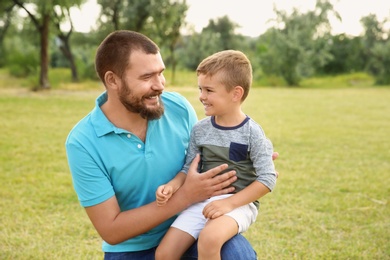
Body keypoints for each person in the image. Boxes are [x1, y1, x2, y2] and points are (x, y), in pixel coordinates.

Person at [65, 30, 278, 259]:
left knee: (235, 253)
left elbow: (202, 160)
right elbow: (111, 231)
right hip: (131, 250)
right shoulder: (83, 142)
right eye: (147, 77)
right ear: (112, 80)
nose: (160, 85)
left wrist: (245, 161)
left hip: (191, 230)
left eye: (161, 73)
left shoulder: (178, 108)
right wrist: (185, 196)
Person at [155, 50, 277, 260]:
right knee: (164, 253)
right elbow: (188, 169)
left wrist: (228, 204)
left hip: (238, 204)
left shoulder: (252, 133)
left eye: (209, 90)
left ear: (236, 94)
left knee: (210, 239)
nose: (201, 96)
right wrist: (172, 186)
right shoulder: (200, 130)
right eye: (200, 89)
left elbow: (267, 179)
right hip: (201, 201)